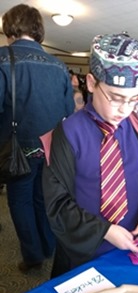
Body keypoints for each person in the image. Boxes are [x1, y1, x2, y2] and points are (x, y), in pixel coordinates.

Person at [41, 33, 138, 278]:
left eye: (133, 100)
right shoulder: (67, 134)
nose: (124, 109)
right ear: (91, 83)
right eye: (116, 98)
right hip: (83, 252)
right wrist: (103, 231)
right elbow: (58, 204)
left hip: (132, 244)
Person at [0, 4, 75, 273]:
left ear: (10, 27)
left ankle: (33, 257)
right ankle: (48, 246)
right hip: (52, 148)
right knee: (44, 199)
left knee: (20, 201)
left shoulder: (2, 59)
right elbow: (69, 111)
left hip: (18, 149)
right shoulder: (58, 65)